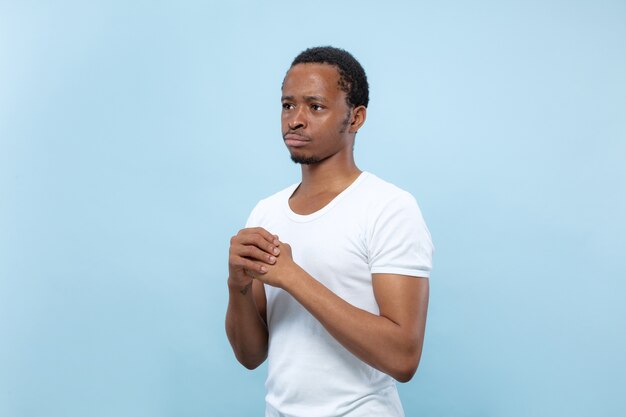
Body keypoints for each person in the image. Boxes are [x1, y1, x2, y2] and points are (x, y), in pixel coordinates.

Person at [225, 46, 433, 417]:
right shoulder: (266, 212)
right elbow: (250, 356)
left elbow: (403, 358)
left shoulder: (388, 207)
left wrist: (292, 276)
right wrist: (237, 287)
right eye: (288, 105)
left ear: (355, 118)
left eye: (315, 106)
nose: (296, 120)